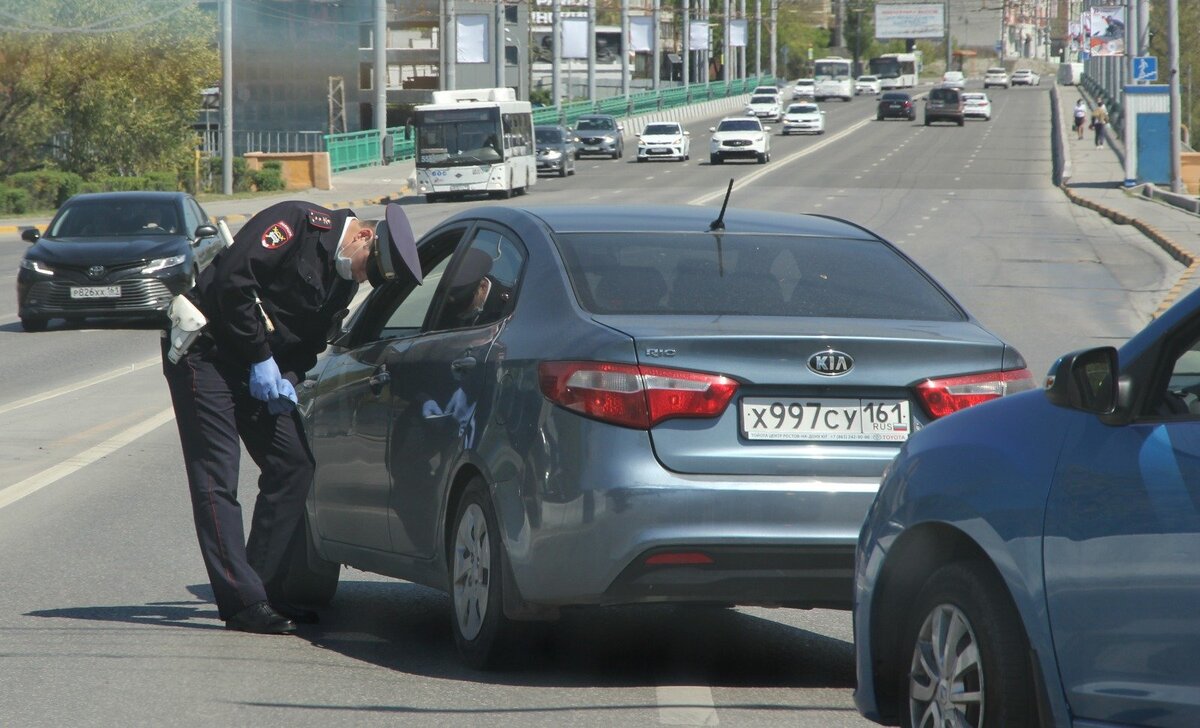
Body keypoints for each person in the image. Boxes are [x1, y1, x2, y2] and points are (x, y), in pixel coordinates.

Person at [161, 201, 383, 634]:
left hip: (258, 368)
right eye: (364, 269)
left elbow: (309, 342)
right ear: (363, 237)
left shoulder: (342, 280)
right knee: (217, 474)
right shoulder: (297, 223)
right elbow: (232, 282)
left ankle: (261, 588)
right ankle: (241, 602)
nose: (359, 279)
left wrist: (287, 377)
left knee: (294, 464)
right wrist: (262, 359)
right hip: (205, 354)